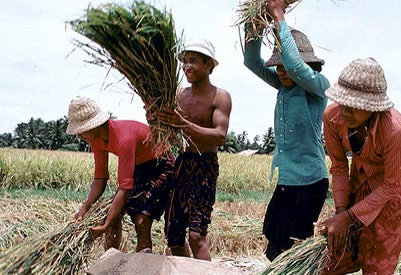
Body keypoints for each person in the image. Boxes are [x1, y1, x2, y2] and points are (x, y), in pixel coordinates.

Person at [317, 57, 401, 275]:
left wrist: (349, 216)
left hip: (392, 195)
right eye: (343, 102)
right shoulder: (332, 117)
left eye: (355, 106)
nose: (346, 110)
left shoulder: (394, 129)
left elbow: (392, 184)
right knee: (335, 249)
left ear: (372, 107)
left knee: (378, 262)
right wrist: (340, 213)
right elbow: (338, 165)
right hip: (358, 183)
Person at [243, 0, 330, 261]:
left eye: (283, 66)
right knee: (274, 246)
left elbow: (294, 66)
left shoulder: (316, 87)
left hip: (311, 183)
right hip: (287, 182)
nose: (280, 71)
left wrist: (279, 15)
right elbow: (251, 62)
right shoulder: (284, 87)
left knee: (295, 250)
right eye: (277, 66)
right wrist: (254, 23)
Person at [153, 39, 231, 261]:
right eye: (184, 62)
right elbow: (166, 125)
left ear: (209, 65)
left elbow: (220, 135)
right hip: (181, 165)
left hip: (204, 166)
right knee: (174, 236)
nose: (187, 66)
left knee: (197, 235)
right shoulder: (179, 95)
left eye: (193, 61)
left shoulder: (219, 96)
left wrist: (183, 125)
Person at [66, 96, 174, 252]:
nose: (79, 136)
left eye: (81, 130)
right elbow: (100, 177)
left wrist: (105, 224)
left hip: (161, 165)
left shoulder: (124, 138)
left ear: (94, 126)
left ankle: (143, 269)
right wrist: (85, 207)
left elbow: (125, 187)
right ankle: (110, 264)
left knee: (141, 221)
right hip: (139, 166)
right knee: (114, 214)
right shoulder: (96, 140)